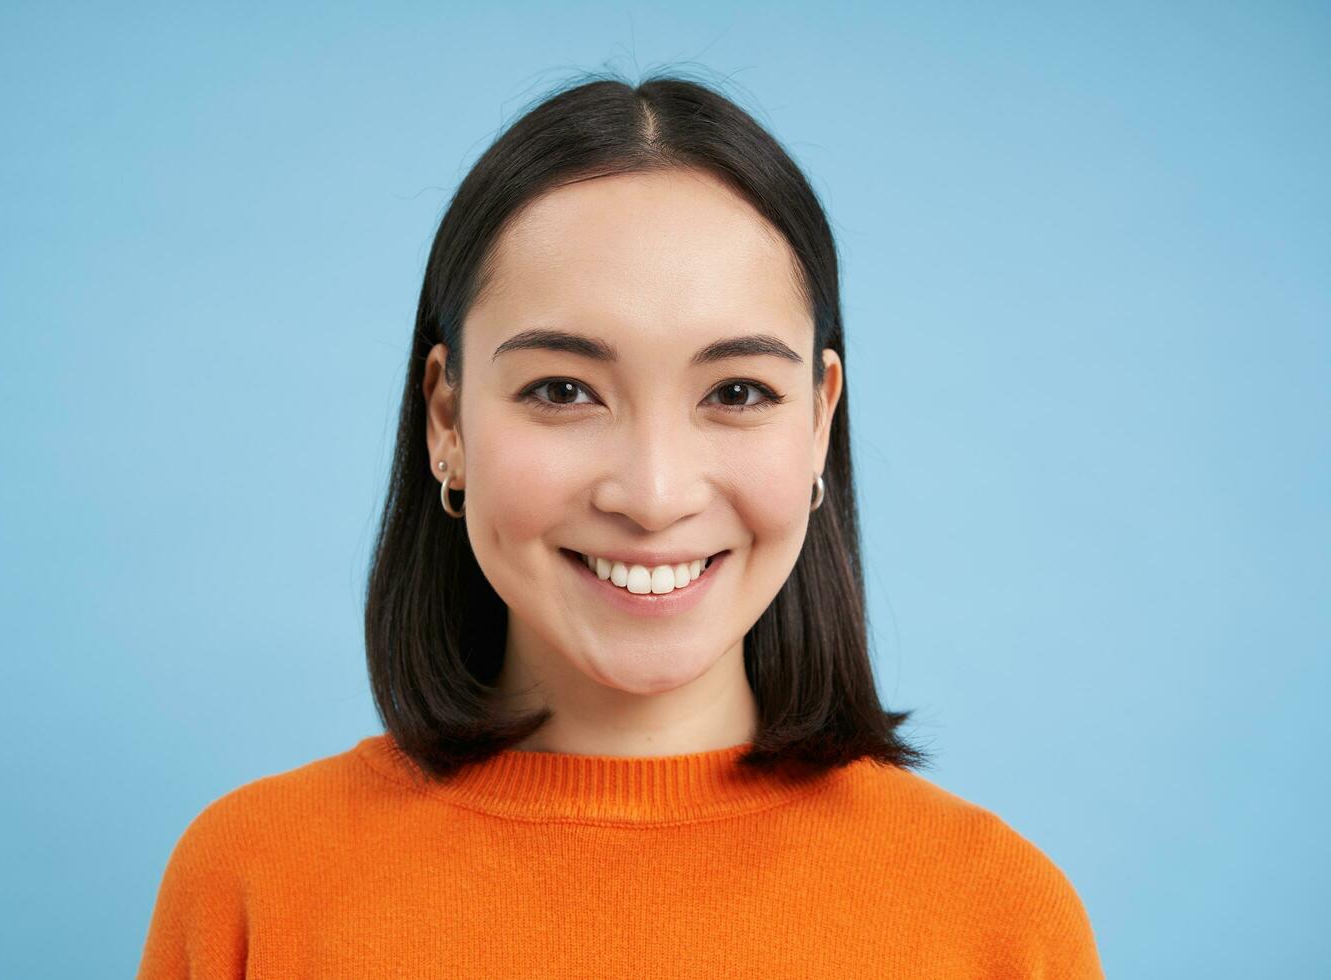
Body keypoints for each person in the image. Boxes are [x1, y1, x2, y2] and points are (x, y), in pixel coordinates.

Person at [136, 71, 1105, 978]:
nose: (652, 492)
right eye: (562, 389)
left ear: (819, 420)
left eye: (736, 389)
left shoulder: (998, 918)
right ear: (447, 419)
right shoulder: (253, 883)